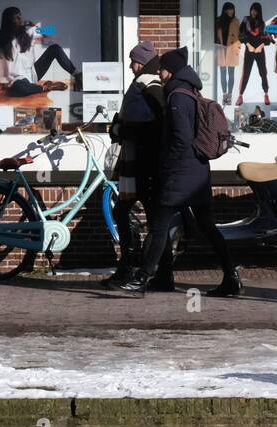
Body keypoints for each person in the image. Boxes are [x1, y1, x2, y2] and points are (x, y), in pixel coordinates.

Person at [120, 47, 241, 298]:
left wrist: (165, 165)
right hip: (198, 172)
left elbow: (181, 138)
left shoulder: (176, 96)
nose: (160, 72)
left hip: (180, 173)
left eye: (162, 68)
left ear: (170, 70)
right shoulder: (191, 91)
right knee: (207, 226)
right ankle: (231, 276)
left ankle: (142, 280)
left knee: (158, 226)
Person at [103, 41, 171, 291]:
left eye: (134, 61)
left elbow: (158, 126)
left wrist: (124, 129)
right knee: (135, 215)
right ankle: (143, 271)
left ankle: (144, 272)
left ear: (143, 62)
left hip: (146, 164)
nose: (131, 66)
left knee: (152, 220)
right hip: (136, 163)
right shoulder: (143, 85)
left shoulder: (151, 87)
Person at [0, 6, 79, 98]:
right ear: (9, 21)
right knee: (19, 88)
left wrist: (33, 25)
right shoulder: (3, 43)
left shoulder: (27, 33)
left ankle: (78, 75)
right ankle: (47, 87)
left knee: (55, 49)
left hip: (33, 73)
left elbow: (50, 32)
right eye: (16, 18)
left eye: (20, 16)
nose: (20, 19)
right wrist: (4, 83)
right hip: (17, 80)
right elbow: (3, 67)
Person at [237, 3, 270, 107]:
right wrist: (249, 45)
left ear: (259, 12)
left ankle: (266, 94)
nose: (253, 12)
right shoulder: (246, 20)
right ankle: (240, 95)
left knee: (263, 72)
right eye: (252, 10)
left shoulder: (262, 23)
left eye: (256, 10)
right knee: (246, 73)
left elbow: (266, 37)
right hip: (249, 50)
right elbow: (241, 34)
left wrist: (261, 46)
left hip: (260, 50)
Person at [215, 3, 241, 106]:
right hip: (221, 48)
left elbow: (240, 35)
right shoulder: (218, 20)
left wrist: (238, 46)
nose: (231, 12)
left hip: (232, 49)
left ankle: (229, 96)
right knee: (222, 73)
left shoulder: (236, 21)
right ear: (225, 10)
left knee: (231, 74)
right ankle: (224, 95)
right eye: (229, 10)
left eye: (232, 10)